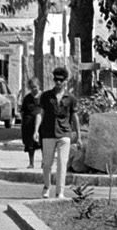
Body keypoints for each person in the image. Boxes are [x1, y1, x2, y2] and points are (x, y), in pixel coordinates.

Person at [38, 67, 78, 199]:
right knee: (47, 163)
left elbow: (74, 116)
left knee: (62, 164)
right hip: (48, 133)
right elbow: (41, 113)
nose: (58, 82)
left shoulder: (70, 98)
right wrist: (35, 130)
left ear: (66, 81)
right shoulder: (46, 96)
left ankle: (60, 191)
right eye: (56, 79)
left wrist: (78, 134)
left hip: (64, 133)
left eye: (61, 80)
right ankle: (46, 186)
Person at [19, 78, 42, 167]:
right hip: (28, 124)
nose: (33, 89)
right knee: (30, 144)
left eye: (35, 87)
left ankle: (44, 163)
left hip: (41, 124)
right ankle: (31, 163)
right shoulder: (27, 98)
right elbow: (22, 111)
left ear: (39, 86)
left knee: (42, 143)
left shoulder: (43, 96)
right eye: (31, 87)